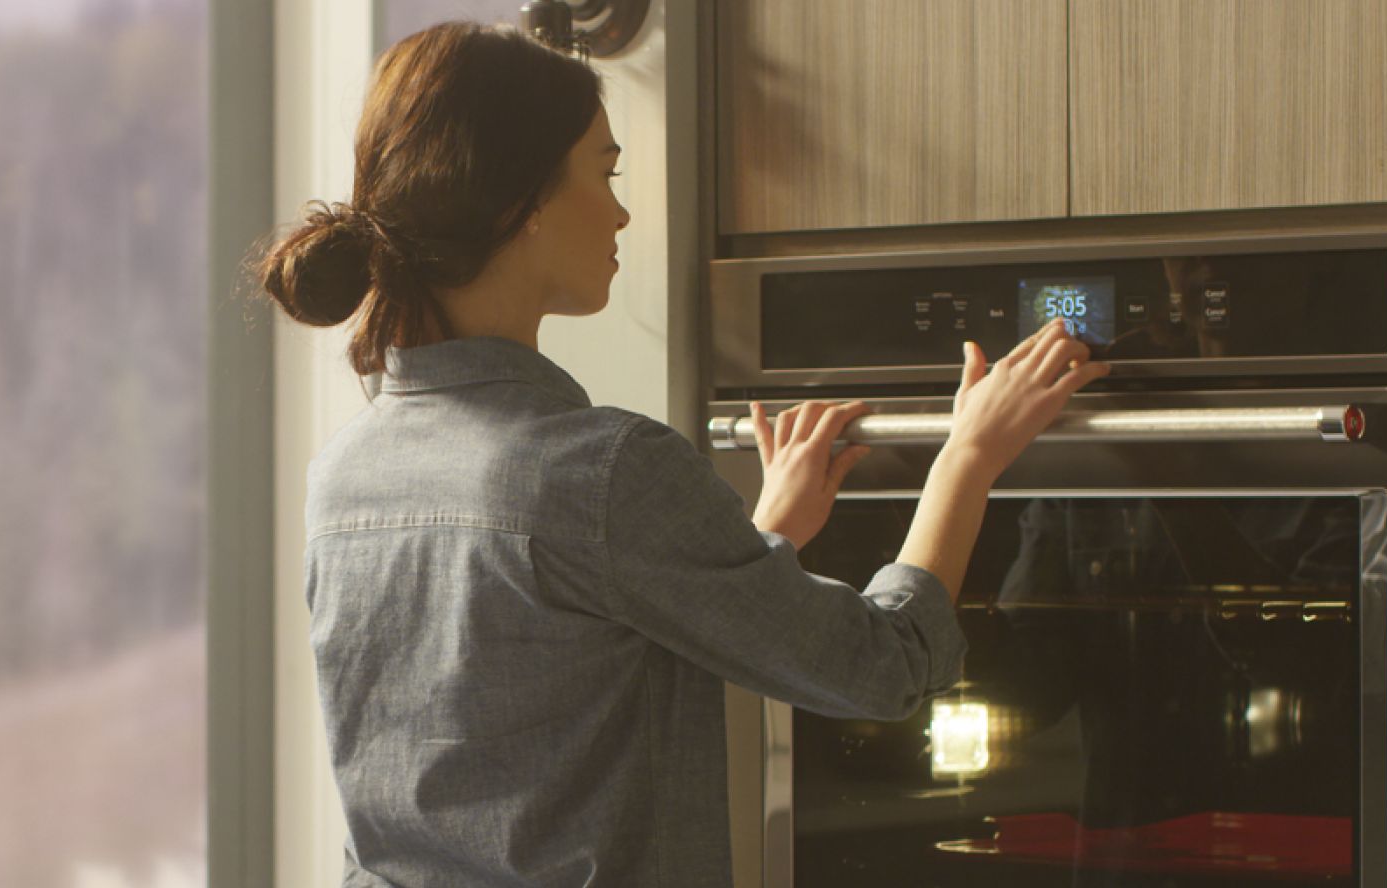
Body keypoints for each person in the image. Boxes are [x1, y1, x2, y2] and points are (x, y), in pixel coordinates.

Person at [251, 21, 1110, 887]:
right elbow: (883, 668)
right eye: (605, 171)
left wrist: (762, 540)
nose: (621, 210)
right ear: (526, 204)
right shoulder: (600, 470)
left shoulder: (347, 471)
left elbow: (567, 666)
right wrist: (967, 455)